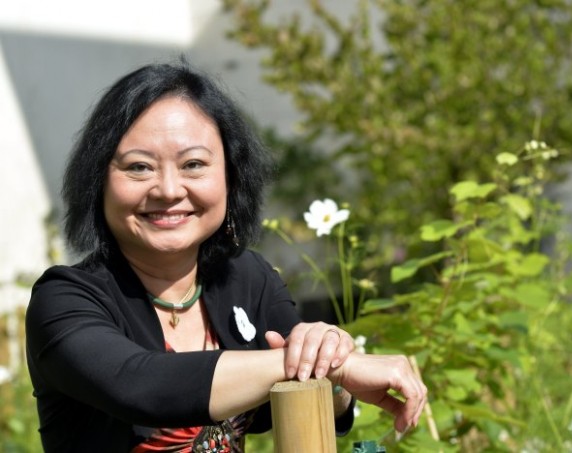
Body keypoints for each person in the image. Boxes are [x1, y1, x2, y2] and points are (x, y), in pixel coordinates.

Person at [25, 62, 427, 452]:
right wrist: (328, 365)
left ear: (231, 177)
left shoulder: (247, 278)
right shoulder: (64, 299)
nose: (168, 189)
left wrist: (328, 355)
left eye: (194, 164)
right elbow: (139, 386)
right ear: (100, 182)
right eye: (139, 167)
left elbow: (323, 397)